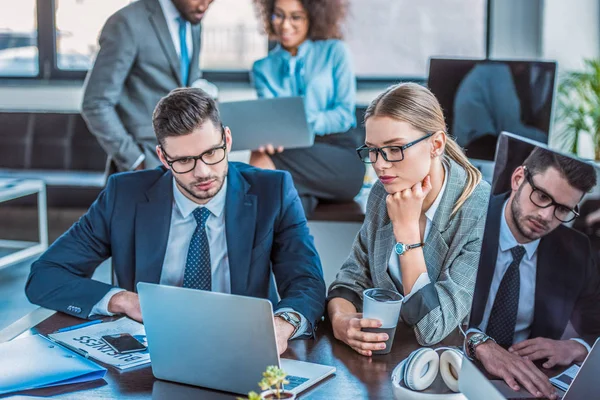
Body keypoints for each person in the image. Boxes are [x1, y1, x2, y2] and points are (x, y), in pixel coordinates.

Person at [26, 88, 326, 355]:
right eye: (184, 160)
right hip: (153, 351)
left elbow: (307, 281)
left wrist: (281, 324)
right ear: (163, 157)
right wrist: (122, 300)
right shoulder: (124, 195)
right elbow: (45, 276)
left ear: (228, 140)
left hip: (242, 347)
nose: (203, 172)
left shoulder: (272, 191)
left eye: (212, 153)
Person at [327, 83, 491, 355]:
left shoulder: (478, 209)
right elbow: (350, 279)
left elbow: (433, 329)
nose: (380, 164)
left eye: (395, 149)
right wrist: (340, 320)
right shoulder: (384, 191)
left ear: (436, 144)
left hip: (445, 364)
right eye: (373, 150)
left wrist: (406, 233)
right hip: (385, 357)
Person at [466, 147, 600, 399]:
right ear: (518, 179)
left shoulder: (576, 250)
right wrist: (478, 343)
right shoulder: (470, 217)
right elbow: (428, 305)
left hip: (524, 384)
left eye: (562, 209)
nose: (546, 215)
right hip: (454, 365)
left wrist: (575, 347)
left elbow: (597, 326)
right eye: (541, 196)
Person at [250, 0, 365, 215]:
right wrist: (270, 136)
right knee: (288, 199)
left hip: (338, 152)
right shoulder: (262, 69)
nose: (285, 25)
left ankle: (250, 245)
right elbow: (271, 120)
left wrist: (299, 123)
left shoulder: (335, 52)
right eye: (279, 15)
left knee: (260, 162)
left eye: (296, 17)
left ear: (312, 17)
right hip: (292, 151)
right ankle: (282, 247)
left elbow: (343, 114)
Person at [82, 0, 214, 173]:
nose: (204, 5)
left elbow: (188, 82)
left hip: (186, 166)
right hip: (145, 165)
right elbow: (96, 103)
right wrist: (136, 161)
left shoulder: (193, 21)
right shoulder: (127, 22)